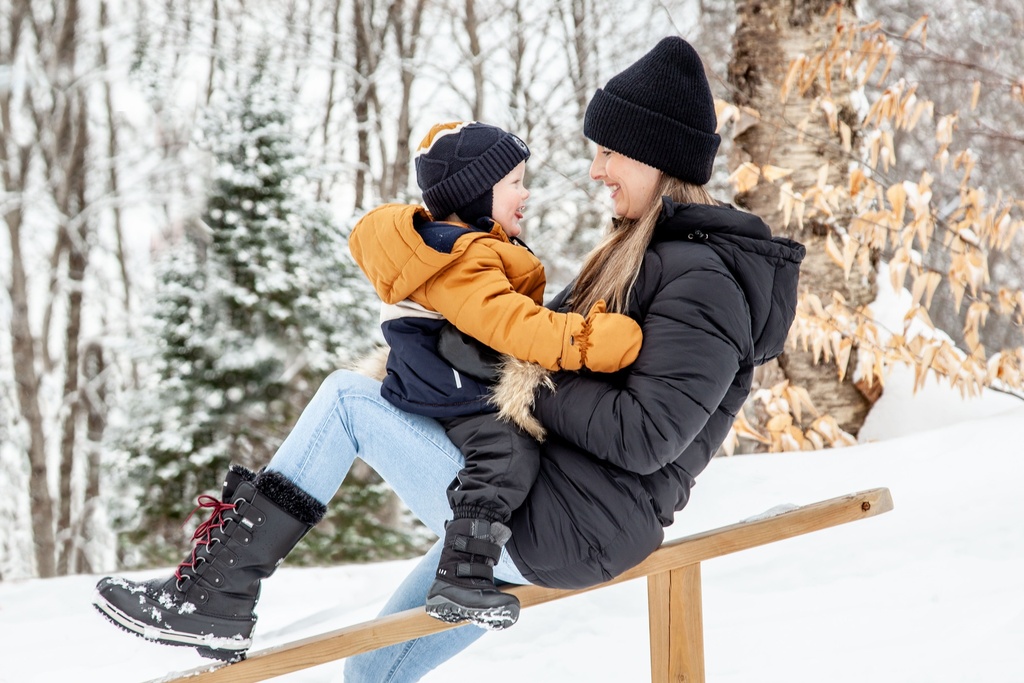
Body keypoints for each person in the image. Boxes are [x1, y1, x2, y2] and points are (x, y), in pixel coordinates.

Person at [93, 35, 805, 682]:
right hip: (536, 500)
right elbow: (537, 348)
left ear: (656, 156)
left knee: (347, 400)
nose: (596, 171)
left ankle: (218, 592)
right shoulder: (640, 257)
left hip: (569, 522)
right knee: (371, 673)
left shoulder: (703, 279)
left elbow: (646, 435)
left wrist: (511, 377)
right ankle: (218, 591)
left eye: (608, 152)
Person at [348, 120, 643, 628]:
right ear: (475, 192)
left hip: (450, 374)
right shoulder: (461, 258)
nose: (525, 192)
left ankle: (466, 569)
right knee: (506, 452)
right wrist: (590, 340)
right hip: (449, 384)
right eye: (513, 182)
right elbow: (513, 325)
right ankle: (462, 577)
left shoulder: (472, 249)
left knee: (511, 449)